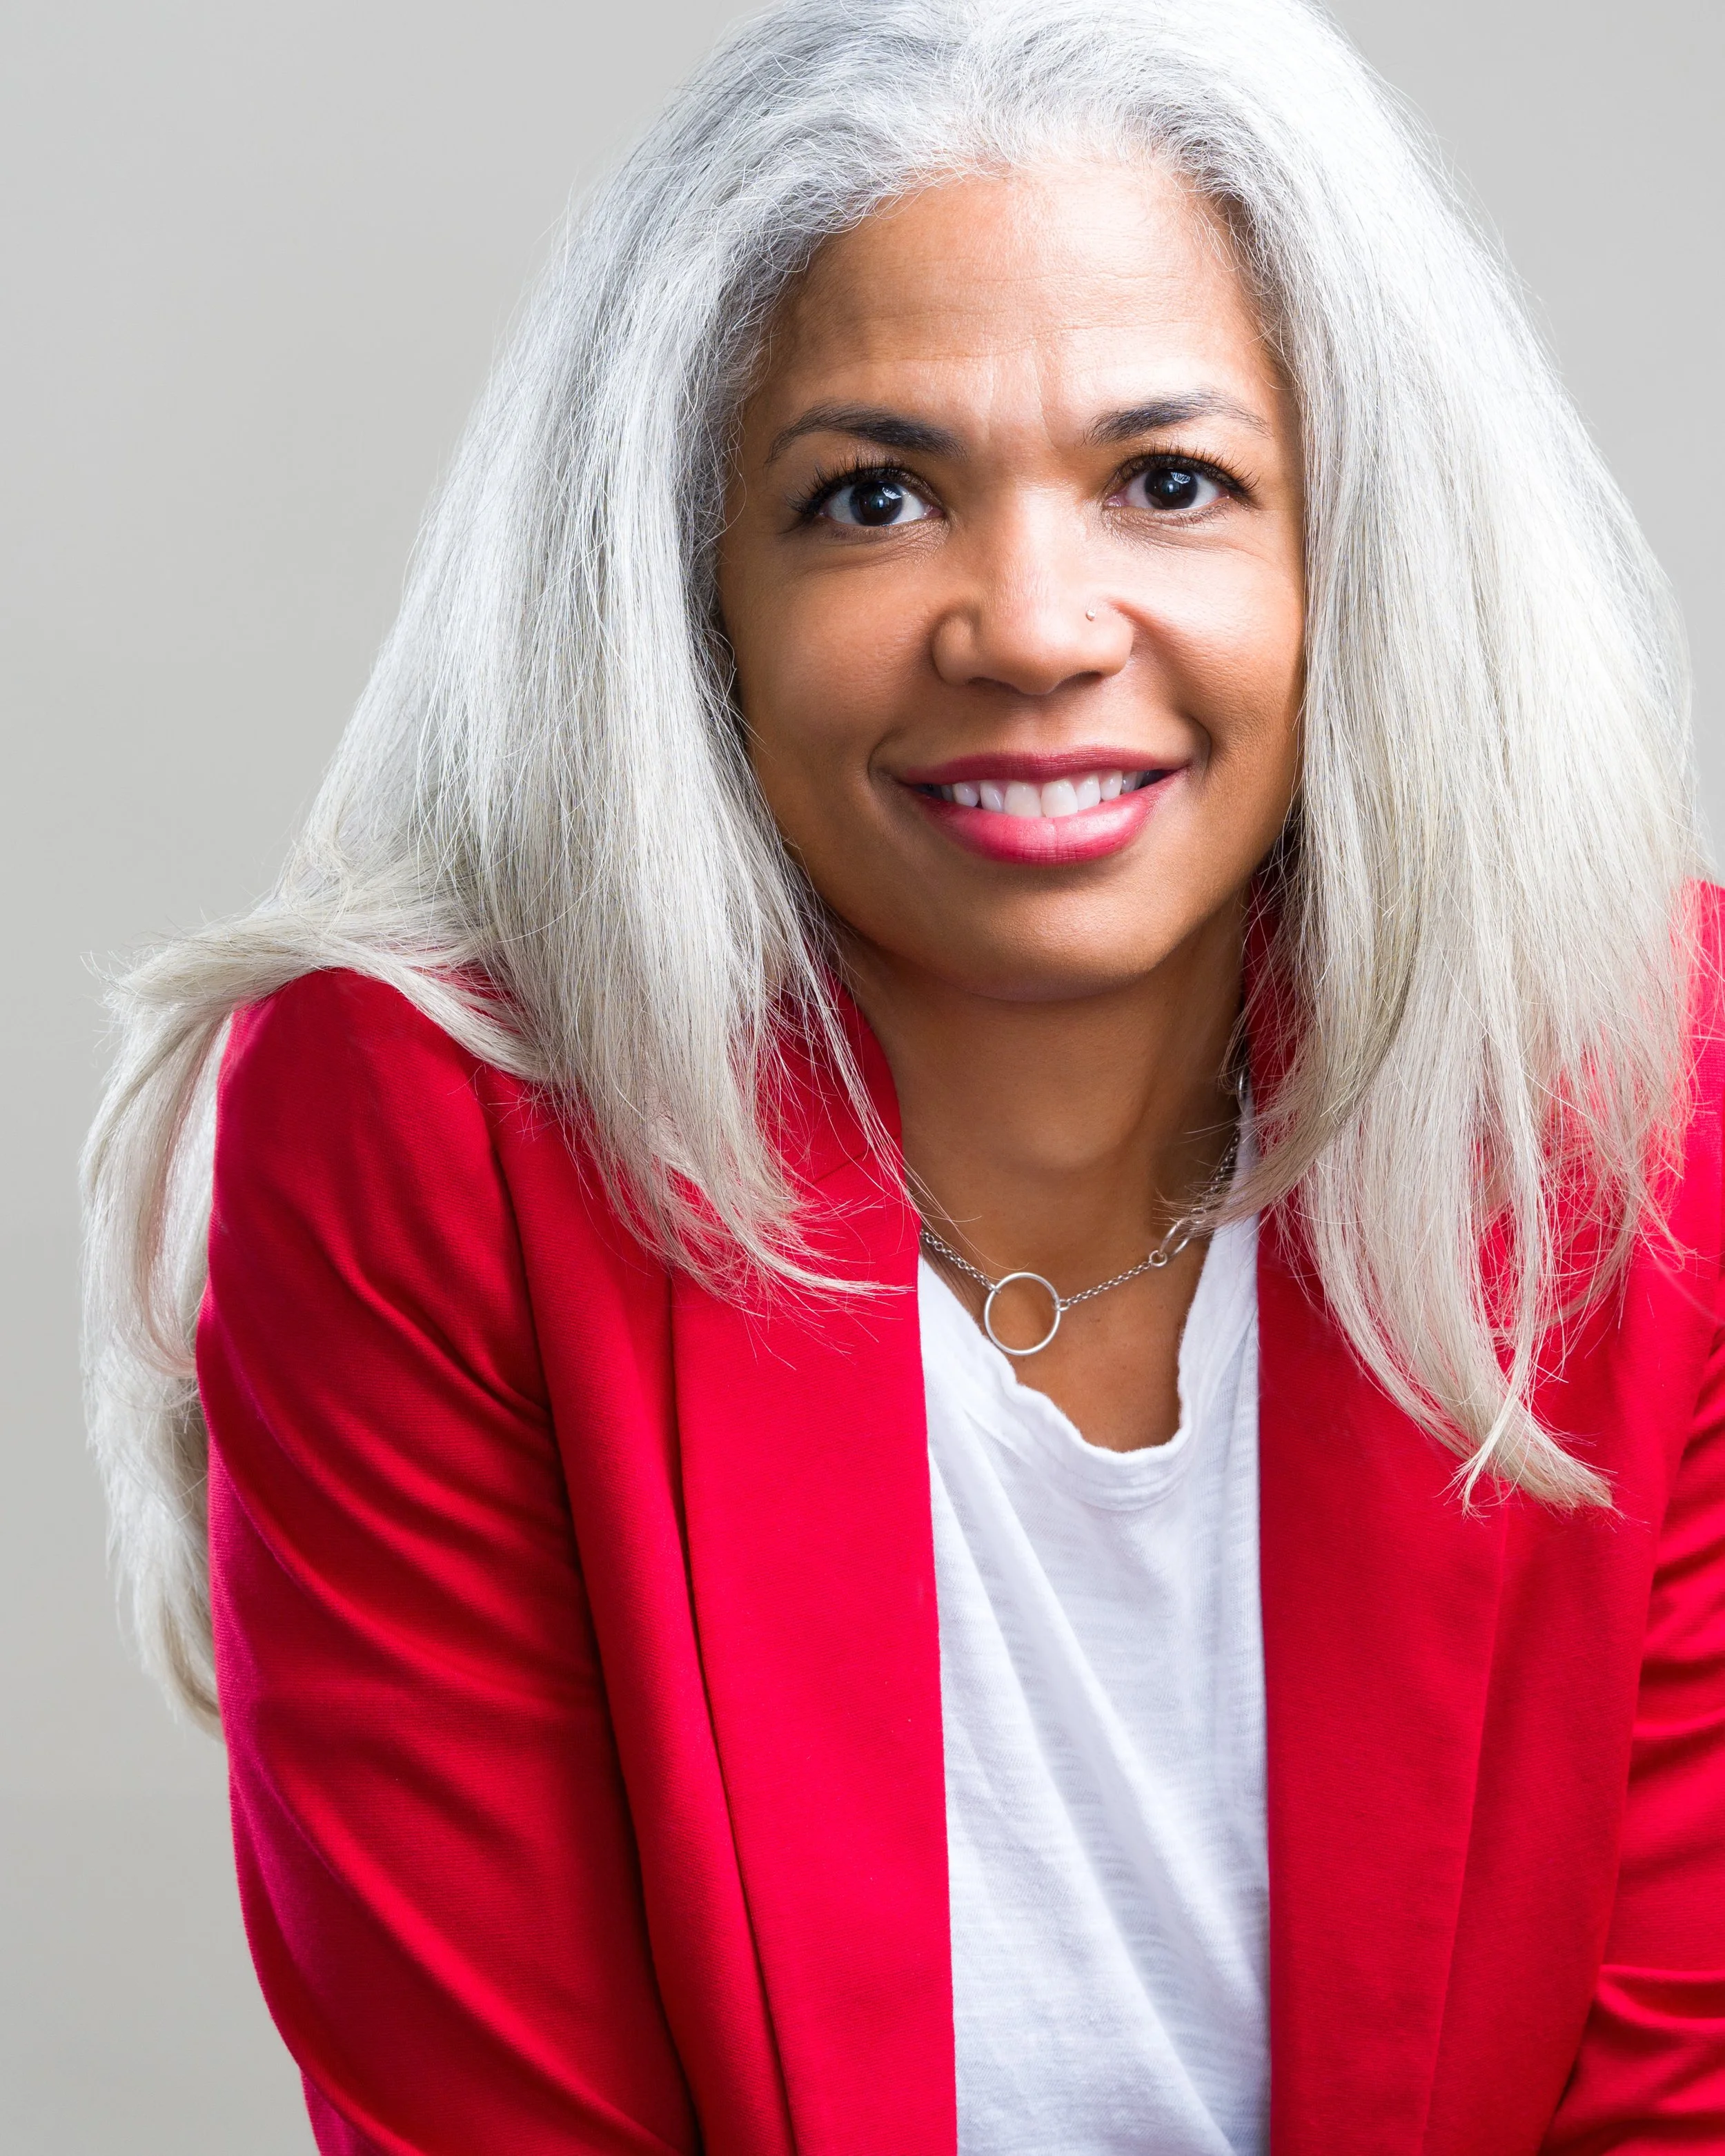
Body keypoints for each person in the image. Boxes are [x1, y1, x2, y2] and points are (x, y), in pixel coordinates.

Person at [81, 0, 1725, 2150]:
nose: (1032, 625)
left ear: (1354, 564)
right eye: (869, 496)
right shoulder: (422, 1133)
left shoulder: (1640, 1093)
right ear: (694, 602)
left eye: (1170, 480)